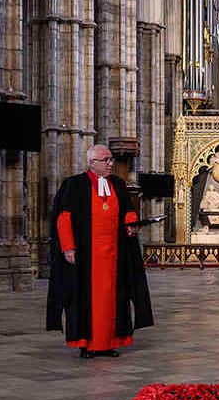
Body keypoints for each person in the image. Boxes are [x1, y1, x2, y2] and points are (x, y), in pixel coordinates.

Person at [46, 145, 153, 359]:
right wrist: (68, 247)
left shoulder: (118, 184)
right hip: (86, 256)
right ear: (92, 162)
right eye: (106, 160)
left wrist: (131, 224)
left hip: (114, 255)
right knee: (85, 299)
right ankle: (87, 344)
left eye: (111, 159)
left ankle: (110, 342)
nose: (111, 163)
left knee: (115, 299)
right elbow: (64, 218)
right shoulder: (74, 185)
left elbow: (128, 211)